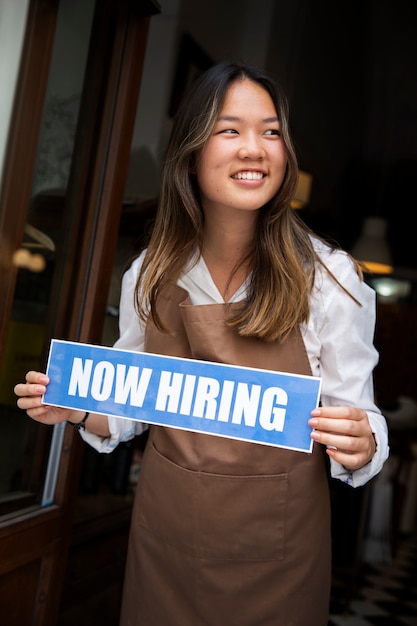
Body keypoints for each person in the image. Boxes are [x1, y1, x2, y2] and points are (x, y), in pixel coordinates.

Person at [14, 61, 389, 626]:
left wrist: (363, 441)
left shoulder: (331, 279)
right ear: (190, 151)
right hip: (163, 549)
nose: (254, 149)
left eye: (270, 132)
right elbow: (126, 411)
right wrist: (78, 408)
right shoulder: (150, 273)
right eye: (230, 129)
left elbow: (360, 418)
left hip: (275, 564)